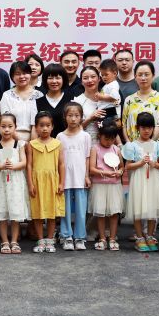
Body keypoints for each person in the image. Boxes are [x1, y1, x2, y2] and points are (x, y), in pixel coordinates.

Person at [121, 113, 159, 252]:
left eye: (149, 128)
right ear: (137, 128)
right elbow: (128, 166)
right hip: (139, 180)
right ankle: (140, 237)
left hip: (154, 181)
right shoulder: (132, 146)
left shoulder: (157, 145)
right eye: (143, 128)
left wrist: (154, 164)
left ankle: (150, 236)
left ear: (153, 128)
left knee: (152, 207)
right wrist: (140, 163)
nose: (147, 131)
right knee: (138, 209)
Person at [0, 114, 30, 254]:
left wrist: (14, 166)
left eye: (10, 126)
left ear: (15, 128)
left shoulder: (20, 144)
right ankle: (5, 241)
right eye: (3, 126)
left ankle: (14, 241)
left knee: (15, 212)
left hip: (16, 182)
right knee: (1, 211)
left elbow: (24, 162)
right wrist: (1, 166)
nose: (6, 129)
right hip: (1, 183)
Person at [28, 111, 65, 254]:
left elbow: (61, 164)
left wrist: (61, 183)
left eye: (48, 125)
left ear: (52, 127)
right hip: (37, 182)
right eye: (41, 125)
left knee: (51, 212)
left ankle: (50, 240)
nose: (44, 128)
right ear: (36, 127)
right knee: (38, 212)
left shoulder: (57, 144)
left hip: (52, 182)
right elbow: (29, 165)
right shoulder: (32, 144)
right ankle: (40, 240)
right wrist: (30, 183)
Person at [57, 103, 92, 251]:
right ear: (65, 117)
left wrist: (87, 176)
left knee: (81, 209)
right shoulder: (60, 136)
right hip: (65, 179)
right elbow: (59, 161)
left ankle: (80, 237)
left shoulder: (85, 136)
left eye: (76, 116)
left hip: (80, 177)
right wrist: (60, 179)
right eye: (70, 115)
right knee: (65, 209)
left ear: (81, 117)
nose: (73, 119)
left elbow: (87, 157)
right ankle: (66, 236)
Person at [89, 124, 125, 251]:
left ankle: (113, 238)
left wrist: (120, 172)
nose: (109, 142)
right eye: (106, 138)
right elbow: (91, 169)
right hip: (99, 185)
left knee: (114, 213)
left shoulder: (116, 149)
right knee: (101, 213)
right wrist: (105, 173)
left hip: (114, 185)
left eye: (112, 139)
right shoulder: (95, 149)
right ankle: (102, 238)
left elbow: (122, 166)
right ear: (100, 136)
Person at [122, 61, 159, 143]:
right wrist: (129, 144)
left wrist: (147, 145)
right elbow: (124, 125)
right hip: (133, 147)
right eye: (140, 75)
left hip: (154, 146)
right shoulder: (129, 100)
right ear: (135, 77)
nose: (143, 78)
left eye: (146, 74)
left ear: (153, 76)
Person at [74, 66, 120, 144]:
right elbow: (75, 128)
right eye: (85, 78)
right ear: (81, 81)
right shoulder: (77, 101)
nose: (90, 80)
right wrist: (91, 118)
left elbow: (116, 124)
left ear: (99, 79)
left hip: (108, 144)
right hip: (86, 144)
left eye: (93, 77)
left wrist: (119, 144)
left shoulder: (109, 97)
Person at [0, 61, 42, 142]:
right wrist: (21, 143)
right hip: (11, 139)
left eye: (25, 73)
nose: (22, 76)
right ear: (12, 77)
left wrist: (32, 144)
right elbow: (6, 121)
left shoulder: (38, 95)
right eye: (18, 74)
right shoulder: (7, 95)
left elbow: (39, 122)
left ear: (30, 74)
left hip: (35, 139)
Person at [36, 63, 75, 135]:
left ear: (63, 79)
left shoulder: (72, 100)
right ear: (45, 80)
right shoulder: (37, 102)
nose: (54, 81)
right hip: (44, 141)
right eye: (50, 78)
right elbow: (35, 128)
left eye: (58, 78)